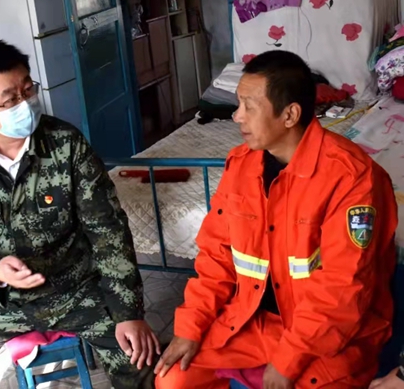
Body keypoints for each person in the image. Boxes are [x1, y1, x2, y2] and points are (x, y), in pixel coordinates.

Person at [0, 39, 159, 389]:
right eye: (10, 99)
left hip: (76, 291)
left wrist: (128, 313)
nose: (25, 104)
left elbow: (108, 231)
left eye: (28, 90)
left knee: (146, 368)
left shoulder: (66, 144)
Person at [154, 50, 399, 388]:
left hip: (327, 334)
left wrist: (288, 359)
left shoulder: (352, 179)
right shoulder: (241, 165)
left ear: (289, 115)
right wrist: (190, 327)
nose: (237, 116)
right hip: (251, 320)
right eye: (238, 104)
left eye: (249, 106)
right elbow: (216, 256)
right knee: (172, 379)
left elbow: (342, 289)